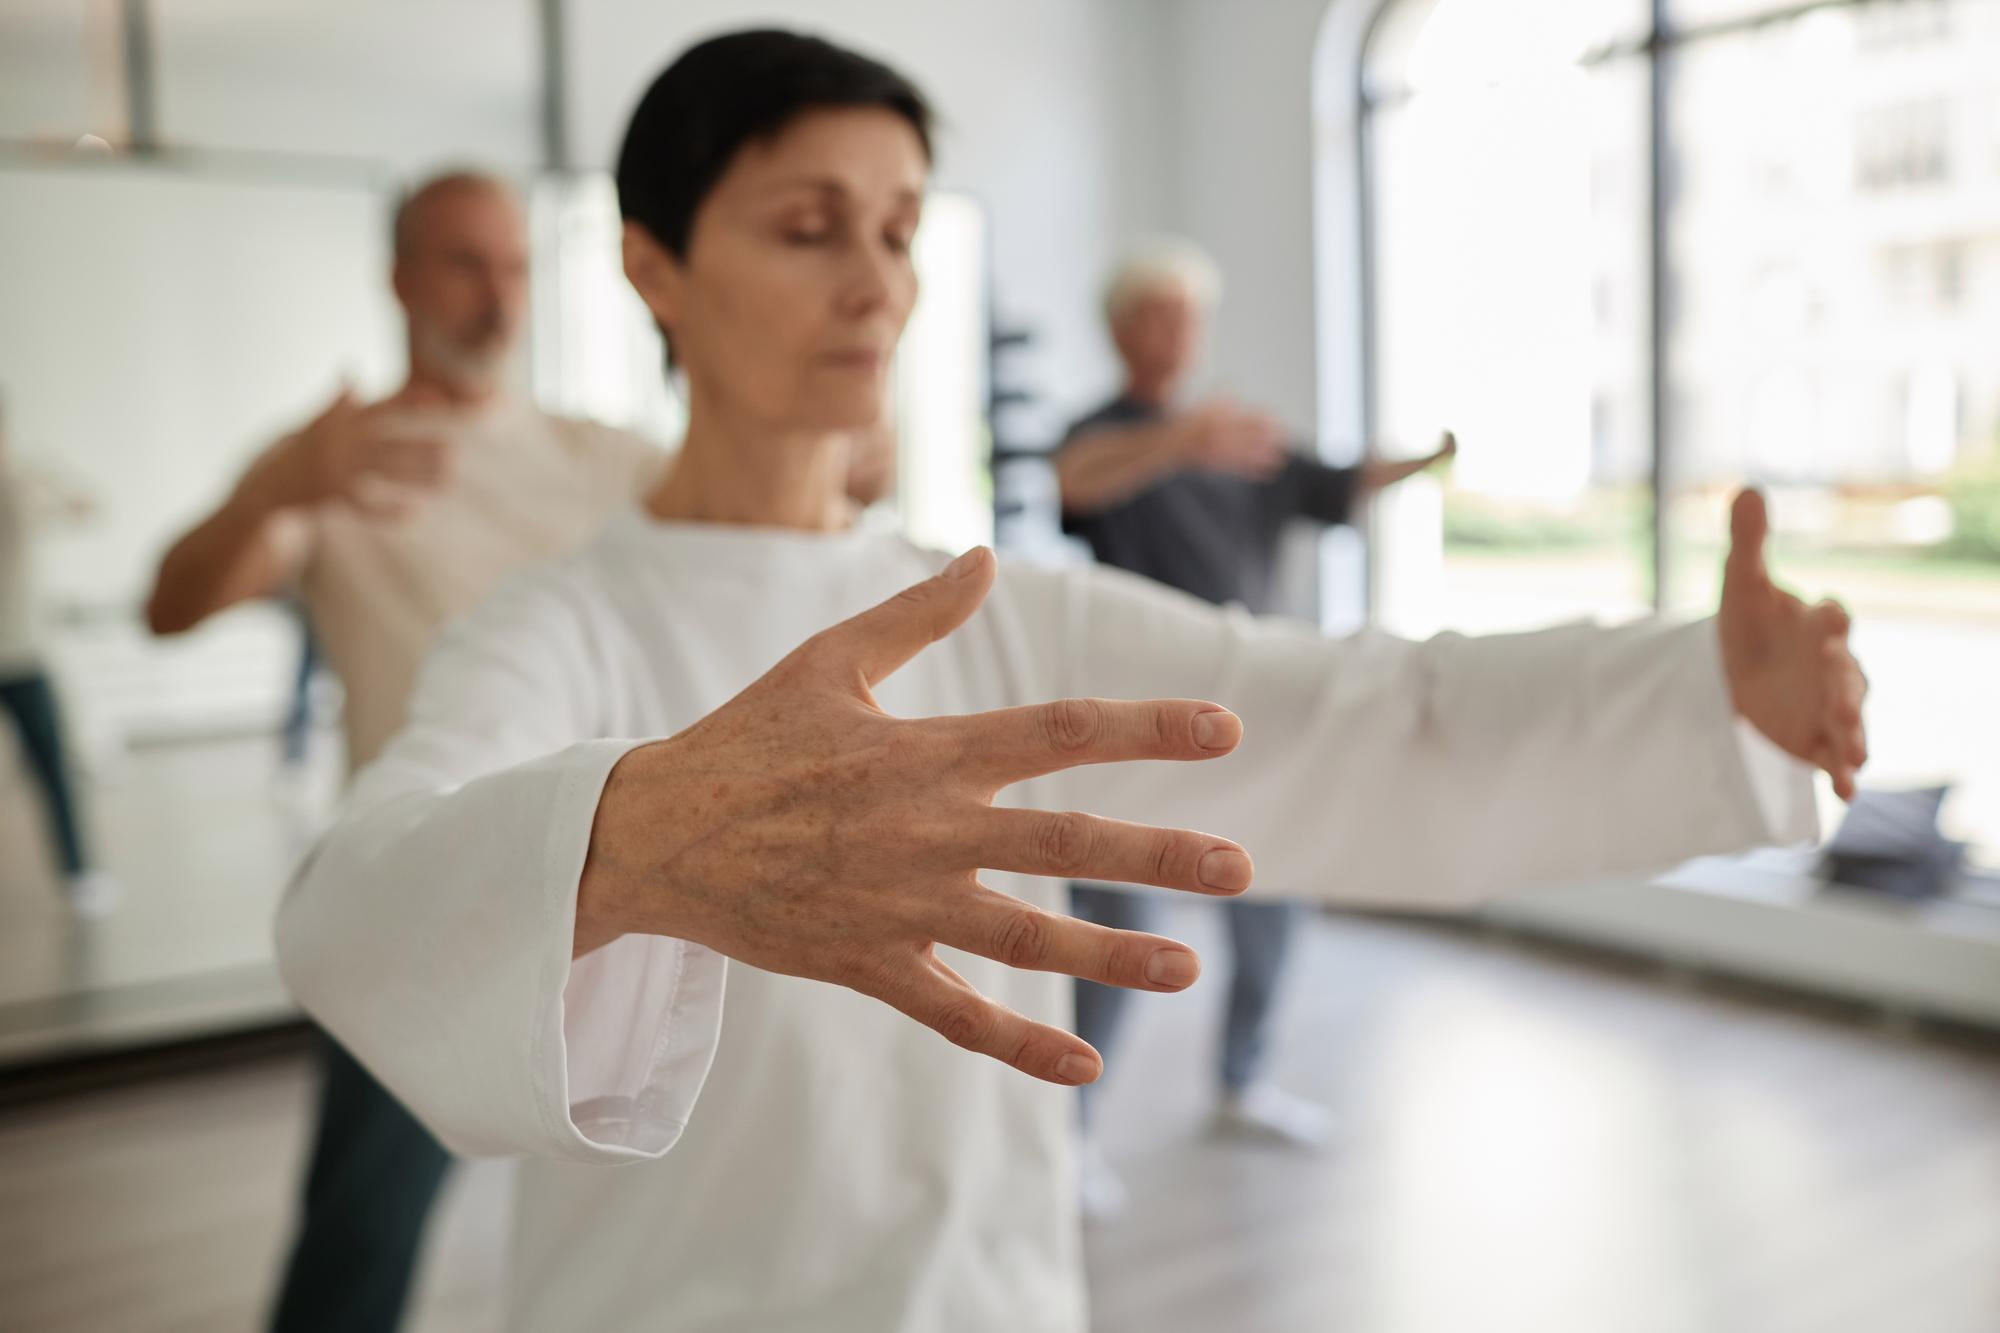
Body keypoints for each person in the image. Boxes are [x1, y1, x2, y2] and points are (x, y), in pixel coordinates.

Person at [274, 30, 1867, 1333]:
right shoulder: (559, 627)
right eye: (809, 226)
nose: (877, 280)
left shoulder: (995, 613)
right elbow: (361, 901)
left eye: (899, 230)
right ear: (653, 268)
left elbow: (1368, 722)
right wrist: (637, 840)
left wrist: (1710, 699)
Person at [146, 171, 668, 1333]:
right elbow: (172, 604)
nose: (497, 297)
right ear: (398, 278)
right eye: (464, 263)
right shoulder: (332, 460)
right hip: (431, 899)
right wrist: (272, 494)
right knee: (362, 1232)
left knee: (648, 1227)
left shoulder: (601, 454)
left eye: (516, 266)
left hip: (621, 885)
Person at [1053, 239, 1455, 1211]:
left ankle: (1242, 1080)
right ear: (1117, 330)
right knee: (1121, 924)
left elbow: (1337, 483)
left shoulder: (1243, 438)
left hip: (1247, 717)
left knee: (1273, 901)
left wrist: (1439, 456)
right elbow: (1073, 483)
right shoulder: (1107, 435)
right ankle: (1065, 1132)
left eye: (1187, 315)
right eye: (1155, 314)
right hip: (1133, 726)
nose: (1175, 333)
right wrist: (1179, 441)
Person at [0, 397, 118, 916]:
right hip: (21, 651)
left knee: (52, 766)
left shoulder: (23, 482)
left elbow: (89, 505)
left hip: (21, 651)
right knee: (51, 767)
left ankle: (79, 871)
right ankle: (80, 873)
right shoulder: (22, 483)